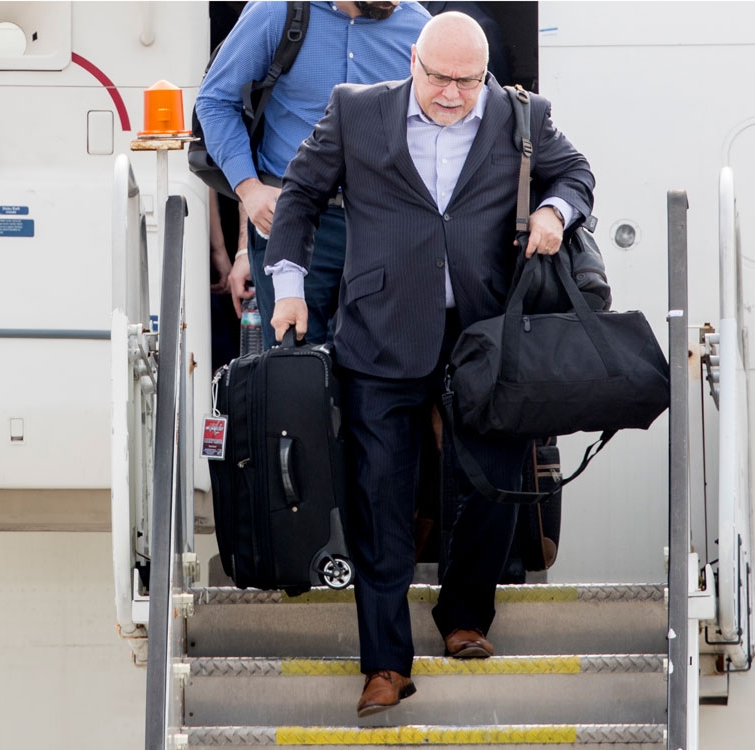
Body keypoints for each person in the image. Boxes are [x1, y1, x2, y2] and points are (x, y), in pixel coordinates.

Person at [265, 11, 594, 717]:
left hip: (485, 330)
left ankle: (466, 617)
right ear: (413, 60)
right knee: (380, 495)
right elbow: (299, 196)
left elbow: (575, 175)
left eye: (466, 81)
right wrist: (288, 291)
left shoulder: (520, 114)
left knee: (493, 477)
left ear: (485, 76)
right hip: (380, 333)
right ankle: (385, 664)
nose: (450, 94)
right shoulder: (355, 111)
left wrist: (554, 214)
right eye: (439, 77)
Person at [195, 1, 430, 347]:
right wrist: (249, 189)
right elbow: (215, 101)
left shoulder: (419, 27)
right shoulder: (277, 11)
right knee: (294, 366)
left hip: (381, 224)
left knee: (381, 367)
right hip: (289, 219)